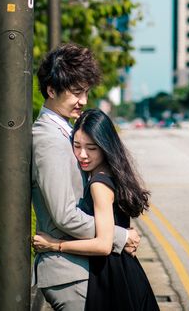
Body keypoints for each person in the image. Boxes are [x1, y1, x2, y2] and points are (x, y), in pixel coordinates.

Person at [32, 44, 140, 310]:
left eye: (86, 93)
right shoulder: (49, 139)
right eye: (76, 93)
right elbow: (64, 214)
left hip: (79, 269)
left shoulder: (66, 131)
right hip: (68, 275)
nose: (83, 101)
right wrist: (119, 236)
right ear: (51, 90)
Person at [34, 109, 159, 311]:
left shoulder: (98, 185)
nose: (82, 155)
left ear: (104, 146)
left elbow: (103, 245)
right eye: (76, 146)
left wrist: (56, 245)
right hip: (125, 271)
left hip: (113, 277)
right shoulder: (113, 172)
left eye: (91, 148)